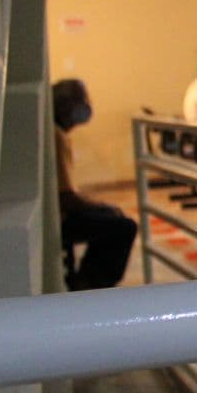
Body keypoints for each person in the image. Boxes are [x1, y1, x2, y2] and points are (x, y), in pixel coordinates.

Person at [53, 79, 138, 291]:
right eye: (81, 100)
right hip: (59, 219)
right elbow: (66, 198)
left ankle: (87, 279)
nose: (87, 106)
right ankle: (89, 284)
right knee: (124, 227)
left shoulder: (56, 132)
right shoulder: (56, 136)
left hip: (59, 213)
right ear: (65, 106)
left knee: (110, 216)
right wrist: (101, 206)